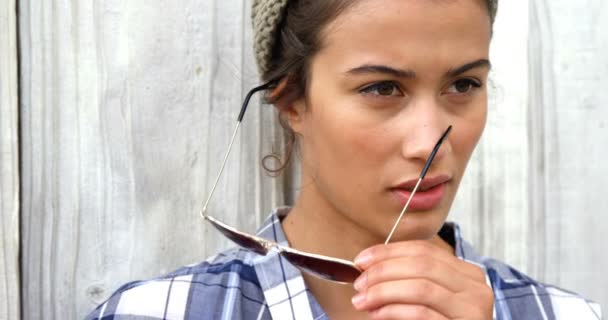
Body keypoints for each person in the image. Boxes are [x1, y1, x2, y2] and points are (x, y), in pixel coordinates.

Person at [87, 0, 602, 319]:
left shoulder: (565, 314)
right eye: (383, 88)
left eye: (464, 84)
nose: (430, 143)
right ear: (293, 102)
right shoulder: (156, 313)